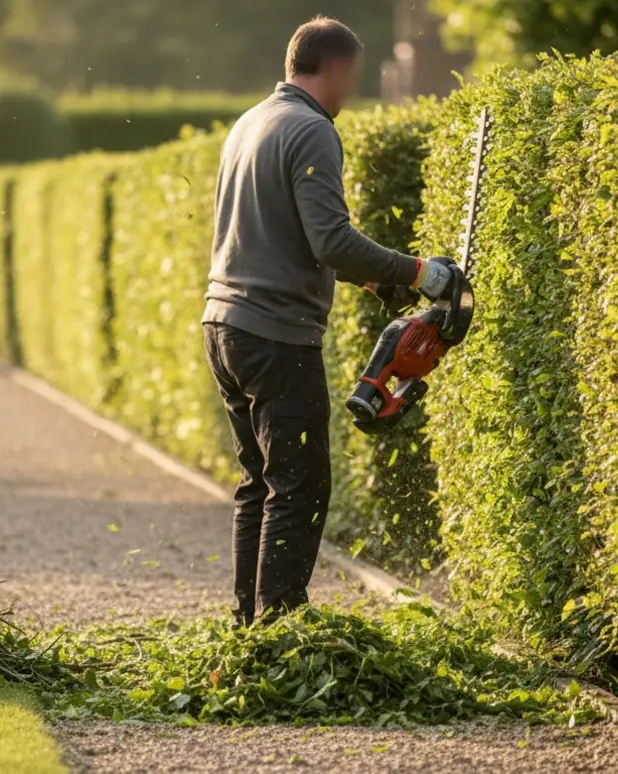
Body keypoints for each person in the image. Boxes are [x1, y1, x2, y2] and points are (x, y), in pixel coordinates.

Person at [201, 16, 454, 626]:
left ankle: (248, 628)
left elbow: (281, 234)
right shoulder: (312, 128)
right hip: (275, 335)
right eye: (353, 77)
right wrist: (423, 273)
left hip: (224, 325)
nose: (352, 91)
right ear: (336, 68)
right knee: (301, 487)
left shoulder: (250, 122)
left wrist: (376, 279)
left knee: (259, 484)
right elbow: (332, 239)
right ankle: (282, 628)